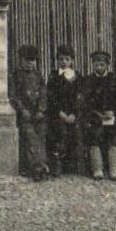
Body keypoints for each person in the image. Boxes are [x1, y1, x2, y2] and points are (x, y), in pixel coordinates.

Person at [79, 49, 116, 180]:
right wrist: (96, 114)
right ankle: (97, 168)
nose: (99, 67)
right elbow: (84, 103)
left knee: (113, 136)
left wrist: (113, 112)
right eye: (96, 64)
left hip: (112, 117)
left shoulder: (115, 80)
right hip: (94, 118)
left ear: (107, 65)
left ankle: (114, 168)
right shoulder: (87, 81)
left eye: (102, 64)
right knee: (94, 135)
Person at [9, 45, 48, 180]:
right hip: (24, 114)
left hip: (37, 114)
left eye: (33, 61)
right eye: (27, 60)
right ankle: (37, 168)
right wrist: (22, 110)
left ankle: (42, 164)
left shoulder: (39, 76)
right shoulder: (15, 75)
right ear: (21, 60)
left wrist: (41, 110)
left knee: (41, 135)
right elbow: (14, 96)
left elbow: (43, 94)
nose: (30, 63)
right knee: (30, 136)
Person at [46, 44, 80, 177]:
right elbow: (51, 97)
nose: (64, 62)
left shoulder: (77, 77)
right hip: (58, 114)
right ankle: (57, 164)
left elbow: (80, 97)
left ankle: (73, 164)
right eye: (61, 59)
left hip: (73, 114)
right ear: (57, 61)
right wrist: (59, 112)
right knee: (58, 131)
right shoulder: (53, 76)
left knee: (76, 131)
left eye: (67, 59)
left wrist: (74, 113)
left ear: (72, 61)